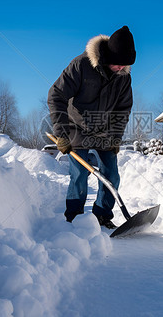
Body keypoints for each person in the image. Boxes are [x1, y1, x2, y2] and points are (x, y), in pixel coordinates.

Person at [47, 26, 135, 228]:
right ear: (107, 56)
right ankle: (74, 216)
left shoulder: (123, 77)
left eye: (125, 65)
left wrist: (115, 138)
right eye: (118, 63)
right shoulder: (81, 66)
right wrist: (62, 134)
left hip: (104, 130)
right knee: (79, 174)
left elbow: (122, 110)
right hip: (77, 128)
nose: (121, 68)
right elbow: (55, 95)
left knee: (111, 174)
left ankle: (102, 215)